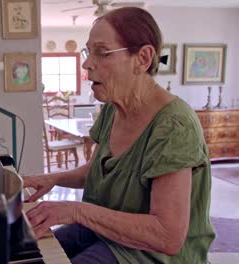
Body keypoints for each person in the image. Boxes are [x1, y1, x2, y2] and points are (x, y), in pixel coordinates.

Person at [24, 7, 215, 264]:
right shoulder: (112, 110)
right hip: (106, 233)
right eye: (88, 51)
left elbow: (167, 236)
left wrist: (77, 211)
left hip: (151, 254)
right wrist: (52, 178)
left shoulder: (174, 125)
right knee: (28, 248)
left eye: (102, 53)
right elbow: (96, 170)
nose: (86, 63)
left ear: (143, 58)